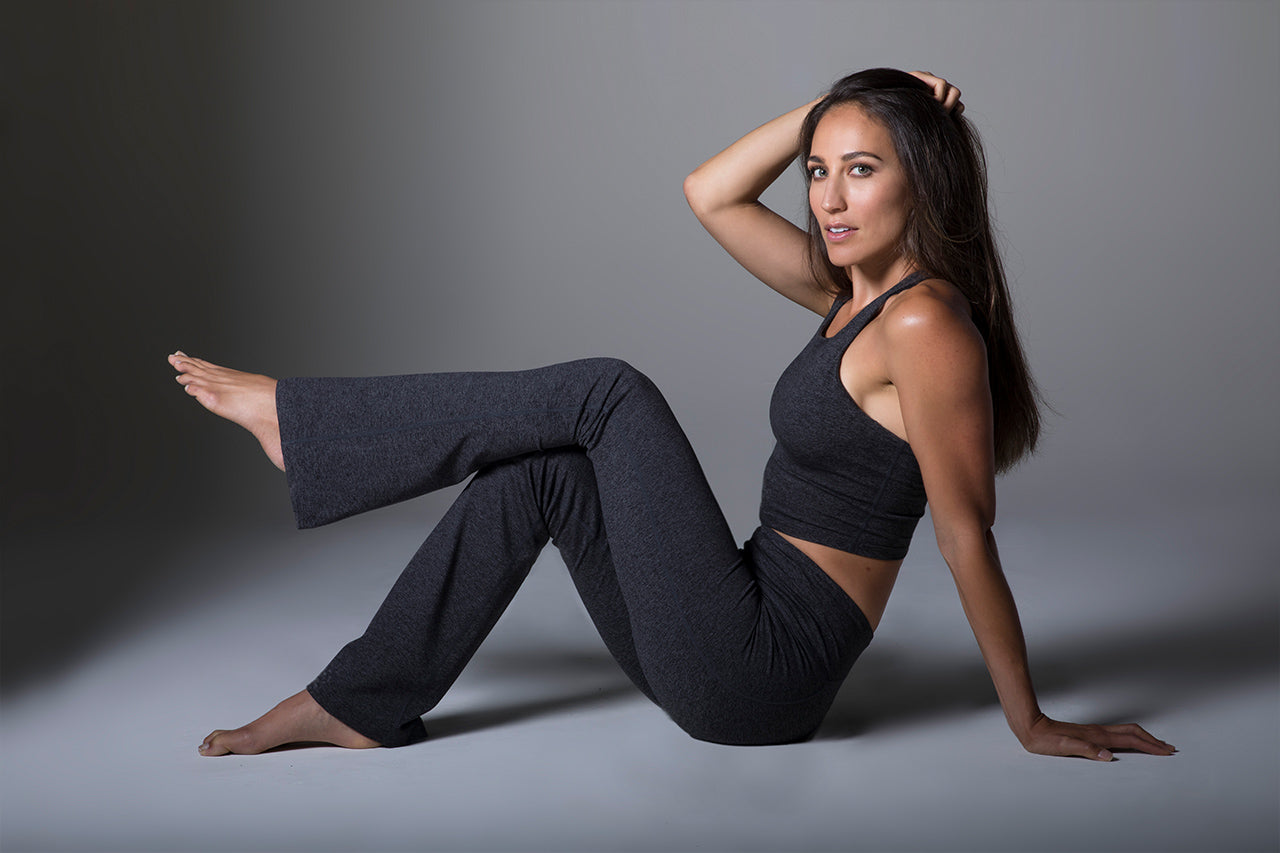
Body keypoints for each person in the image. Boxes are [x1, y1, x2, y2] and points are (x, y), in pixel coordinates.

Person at [170, 69, 1175, 761]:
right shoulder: (853, 297)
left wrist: (1030, 721)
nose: (826, 196)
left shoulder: (923, 327)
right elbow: (710, 193)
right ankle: (360, 701)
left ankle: (301, 425)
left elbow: (965, 534)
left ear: (924, 177)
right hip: (727, 625)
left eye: (860, 169)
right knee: (542, 472)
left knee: (606, 392)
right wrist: (834, 109)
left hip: (761, 674)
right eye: (818, 170)